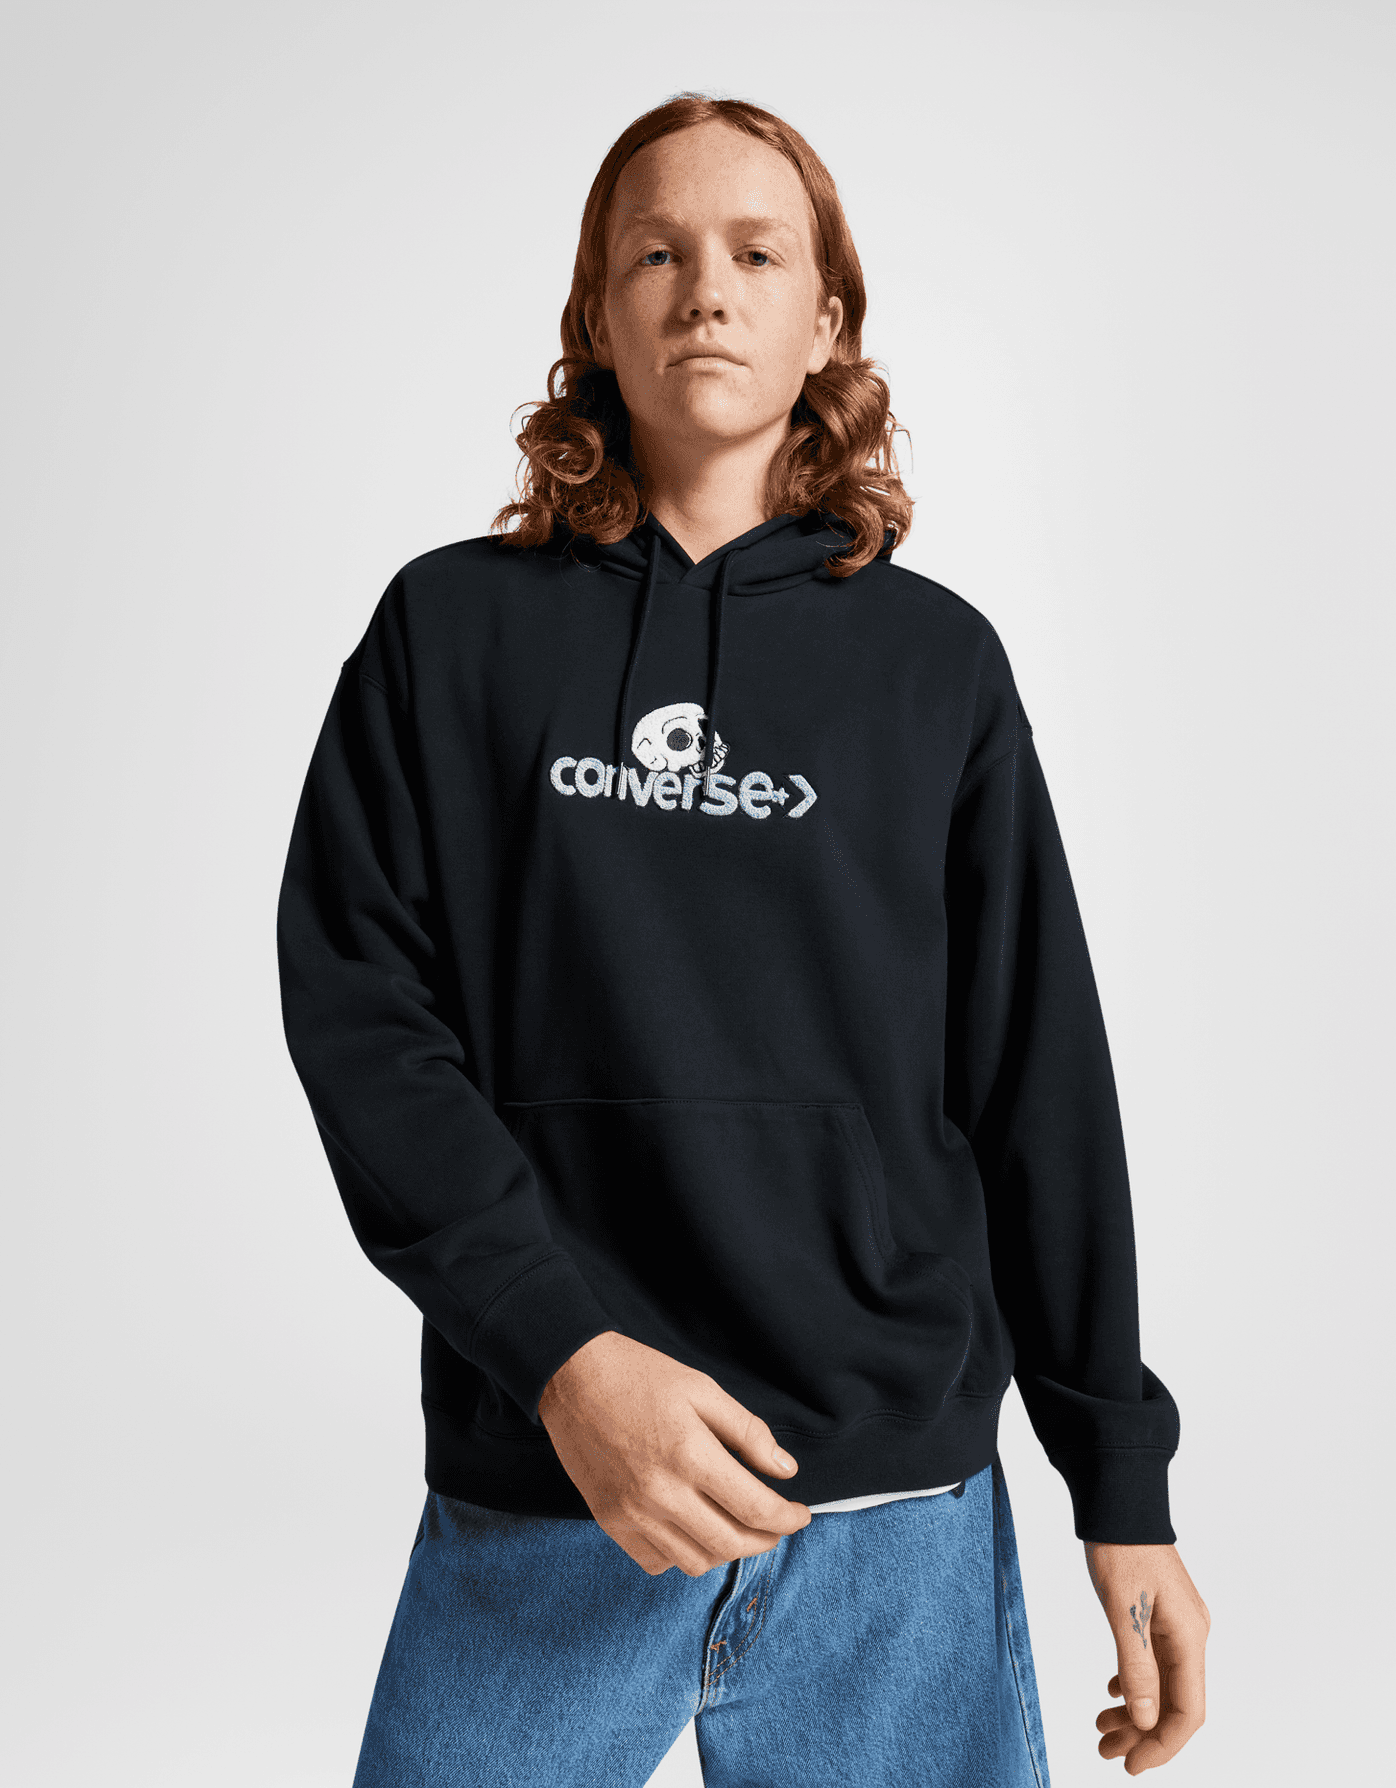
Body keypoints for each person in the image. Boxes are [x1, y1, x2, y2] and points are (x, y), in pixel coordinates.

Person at [277, 91, 1209, 1785]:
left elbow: (1038, 1081)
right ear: (596, 314)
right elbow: (365, 1021)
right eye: (658, 253)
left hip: (893, 1523)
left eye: (756, 254)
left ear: (824, 319)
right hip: (554, 1486)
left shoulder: (935, 669)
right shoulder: (449, 634)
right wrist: (563, 1356)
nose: (706, 287)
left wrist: (1120, 1482)